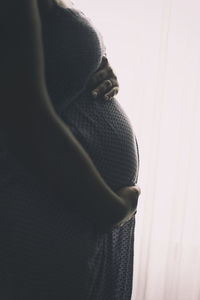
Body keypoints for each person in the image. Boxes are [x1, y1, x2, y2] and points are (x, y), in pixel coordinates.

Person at [0, 1, 140, 299]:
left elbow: (36, 74)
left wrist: (95, 66)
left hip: (67, 210)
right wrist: (111, 209)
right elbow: (26, 122)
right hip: (44, 211)